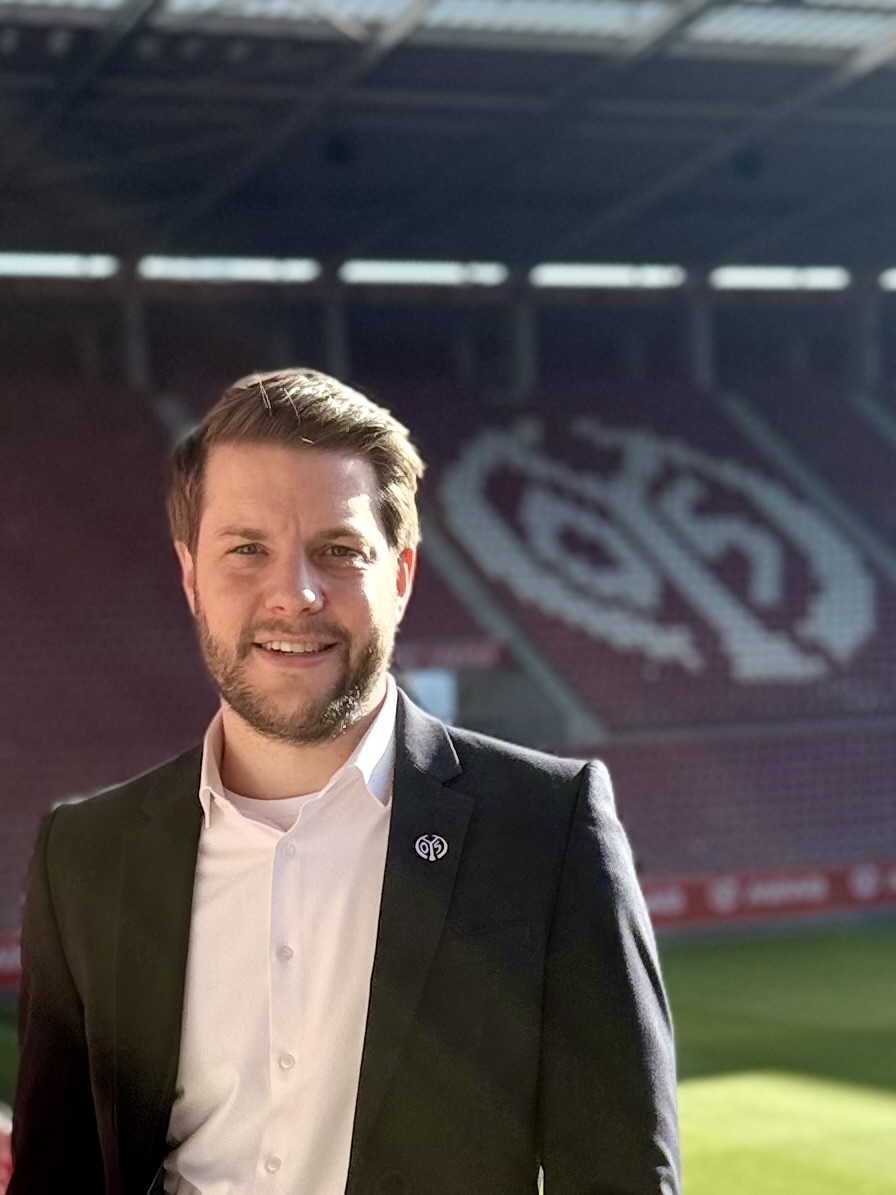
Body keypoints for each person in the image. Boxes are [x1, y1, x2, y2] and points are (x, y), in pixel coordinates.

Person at [12, 368, 680, 1194]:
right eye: (247, 549)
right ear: (191, 576)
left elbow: (623, 1176)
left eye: (338, 550)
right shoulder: (85, 857)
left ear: (400, 574)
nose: (294, 594)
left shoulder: (547, 830)